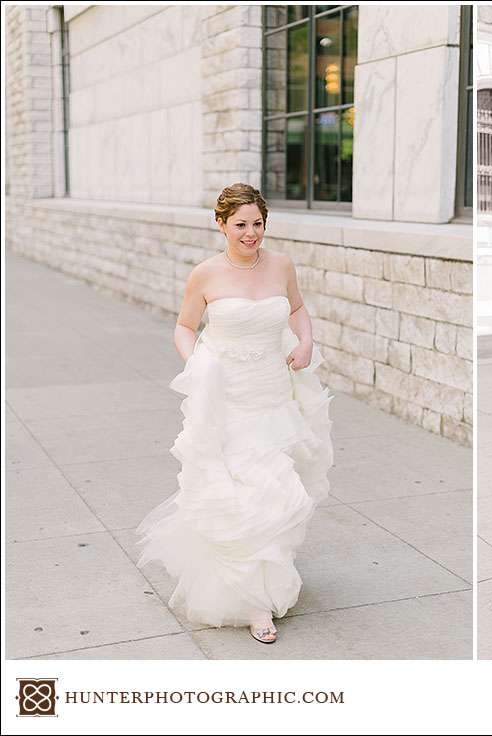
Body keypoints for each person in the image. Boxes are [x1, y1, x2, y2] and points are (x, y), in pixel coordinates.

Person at [136, 182, 333, 645]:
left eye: (258, 224)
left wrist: (305, 342)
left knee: (282, 493)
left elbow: (298, 309)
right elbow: (185, 328)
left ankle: (264, 580)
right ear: (221, 224)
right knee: (243, 494)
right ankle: (255, 602)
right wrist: (199, 368)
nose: (251, 234)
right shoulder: (205, 274)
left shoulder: (281, 265)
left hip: (274, 393)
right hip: (227, 399)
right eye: (241, 225)